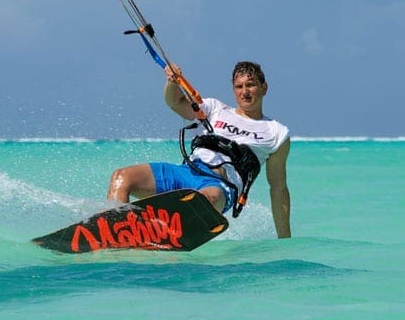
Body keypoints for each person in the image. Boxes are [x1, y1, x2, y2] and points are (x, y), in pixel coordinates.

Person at [107, 61, 291, 238]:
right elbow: (176, 103)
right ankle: (114, 232)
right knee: (122, 177)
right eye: (239, 86)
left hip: (218, 186)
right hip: (187, 171)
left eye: (250, 85)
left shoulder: (276, 133)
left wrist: (285, 240)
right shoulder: (215, 108)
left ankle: (164, 237)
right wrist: (172, 81)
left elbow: (278, 189)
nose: (244, 92)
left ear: (264, 87)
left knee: (200, 203)